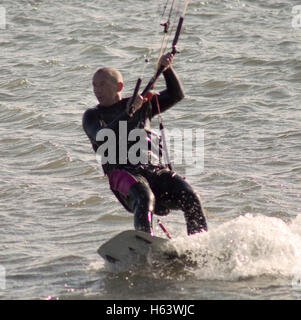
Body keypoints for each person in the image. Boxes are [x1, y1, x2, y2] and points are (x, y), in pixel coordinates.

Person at [82, 52, 207, 236]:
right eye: (94, 85)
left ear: (119, 86)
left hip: (153, 170)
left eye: (102, 84)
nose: (97, 90)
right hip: (122, 173)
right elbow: (102, 136)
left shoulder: (142, 105)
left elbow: (176, 95)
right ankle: (145, 244)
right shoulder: (92, 116)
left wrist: (165, 69)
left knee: (190, 195)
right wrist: (128, 114)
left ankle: (199, 243)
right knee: (144, 196)